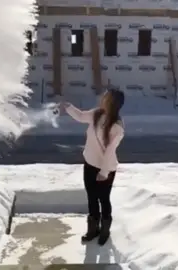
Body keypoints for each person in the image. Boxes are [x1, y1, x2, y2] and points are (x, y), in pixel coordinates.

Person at [60, 89, 125, 246]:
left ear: (112, 102)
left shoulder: (117, 126)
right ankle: (93, 230)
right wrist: (68, 107)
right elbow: (81, 116)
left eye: (106, 96)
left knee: (103, 199)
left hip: (106, 168)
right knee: (91, 197)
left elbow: (110, 151)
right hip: (89, 163)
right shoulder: (96, 114)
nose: (102, 98)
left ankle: (105, 231)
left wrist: (104, 172)